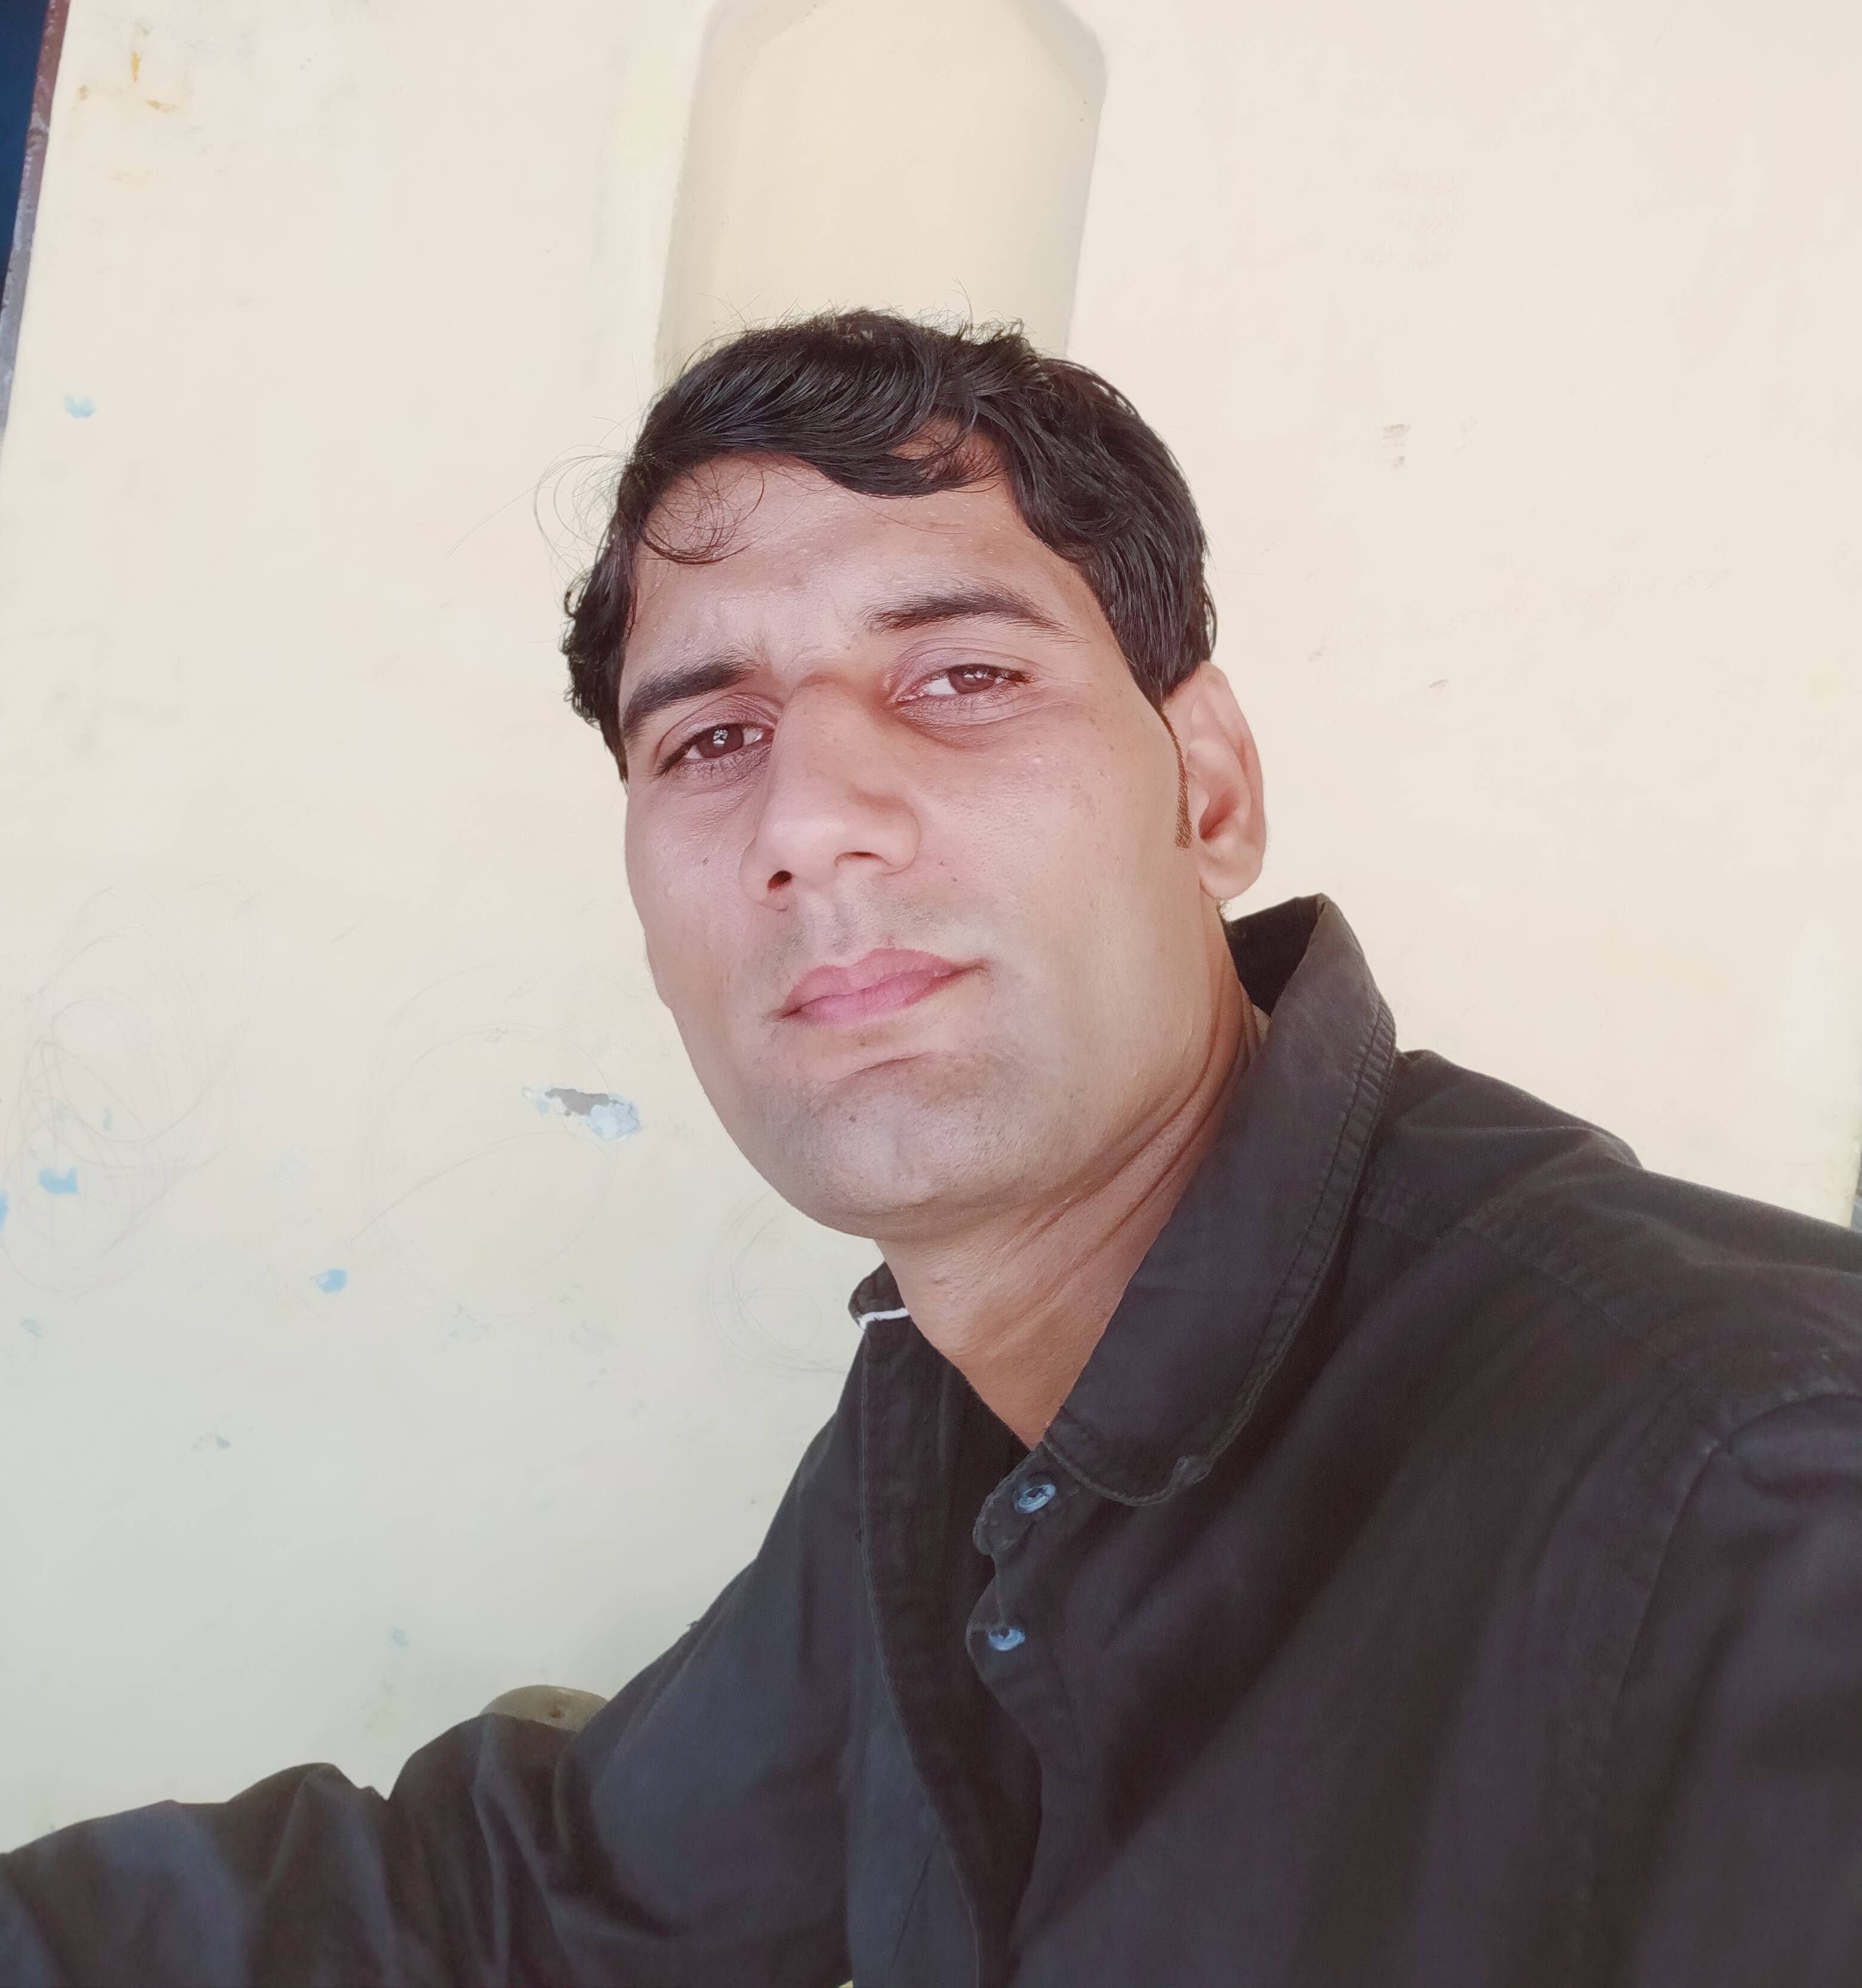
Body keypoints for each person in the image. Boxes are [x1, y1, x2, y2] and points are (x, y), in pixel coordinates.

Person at [5, 311, 1862, 1986]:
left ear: (1208, 790)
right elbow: (545, 1905)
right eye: (711, 737)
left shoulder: (1753, 1498)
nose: (809, 816)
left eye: (962, 676)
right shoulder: (958, 1427)